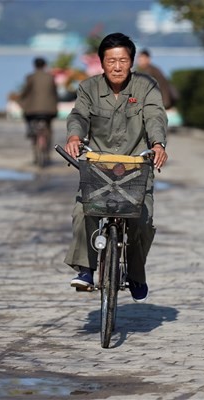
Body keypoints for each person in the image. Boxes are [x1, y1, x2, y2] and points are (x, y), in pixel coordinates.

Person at [63, 33, 168, 302]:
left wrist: (158, 144)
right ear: (102, 62)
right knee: (82, 211)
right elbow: (78, 114)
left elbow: (155, 115)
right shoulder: (88, 88)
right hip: (99, 167)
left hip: (136, 167)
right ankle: (86, 269)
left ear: (131, 62)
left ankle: (136, 274)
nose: (117, 66)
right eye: (111, 61)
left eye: (123, 60)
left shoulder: (146, 86)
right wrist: (75, 135)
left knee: (142, 221)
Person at [18, 57, 59, 148]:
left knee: (27, 116)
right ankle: (48, 138)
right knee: (48, 123)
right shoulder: (50, 77)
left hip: (33, 110)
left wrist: (20, 99)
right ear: (45, 65)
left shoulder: (30, 77)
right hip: (49, 109)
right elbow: (55, 92)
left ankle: (30, 131)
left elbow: (26, 92)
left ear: (34, 65)